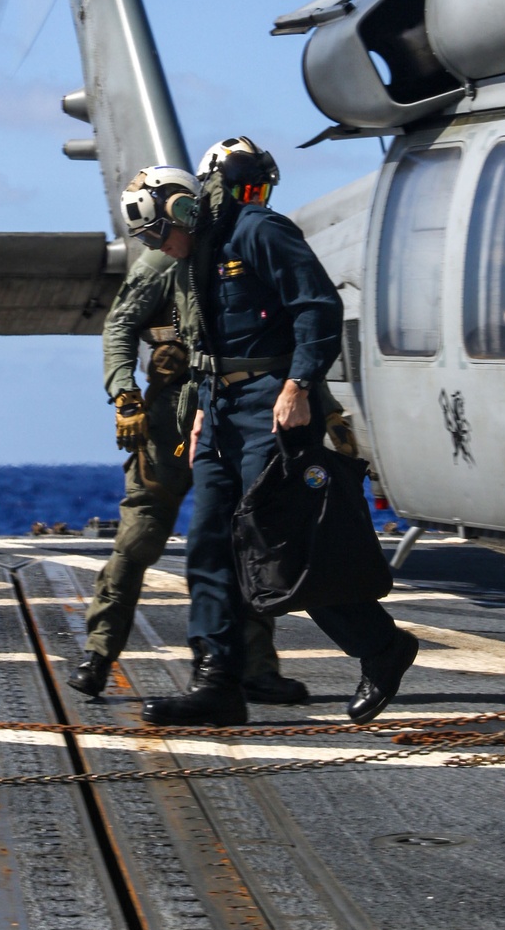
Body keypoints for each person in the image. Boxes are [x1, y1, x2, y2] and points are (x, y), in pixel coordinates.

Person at [134, 137, 418, 727]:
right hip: (218, 410)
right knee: (210, 546)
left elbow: (318, 307)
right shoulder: (200, 259)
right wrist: (200, 407)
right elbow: (208, 341)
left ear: (184, 211)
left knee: (286, 545)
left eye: (161, 233)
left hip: (270, 405)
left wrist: (297, 387)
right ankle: (216, 683)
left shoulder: (260, 231)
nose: (160, 247)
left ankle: (381, 648)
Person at [67, 162, 308, 705]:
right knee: (140, 535)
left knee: (244, 539)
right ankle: (99, 653)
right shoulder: (160, 262)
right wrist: (125, 393)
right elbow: (121, 325)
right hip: (175, 428)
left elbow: (273, 343)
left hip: (228, 416)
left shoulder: (233, 254)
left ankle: (255, 669)